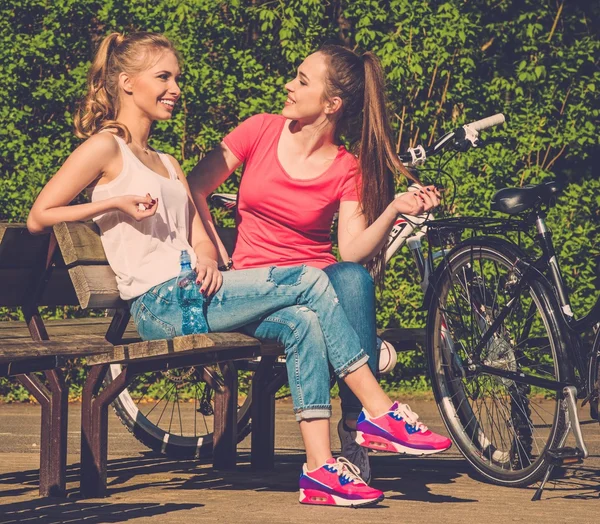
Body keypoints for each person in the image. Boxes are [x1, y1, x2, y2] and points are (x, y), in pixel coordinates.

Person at [27, 32, 448, 508]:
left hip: (197, 292)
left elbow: (196, 227)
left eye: (176, 78)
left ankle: (319, 470)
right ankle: (376, 409)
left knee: (303, 323)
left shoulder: (167, 162)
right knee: (311, 277)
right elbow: (39, 215)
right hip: (157, 304)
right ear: (126, 83)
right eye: (164, 77)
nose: (176, 88)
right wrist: (115, 203)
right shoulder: (106, 148)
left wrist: (207, 255)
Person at [187, 44, 451, 485]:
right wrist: (211, 252)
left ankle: (356, 428)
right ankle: (372, 414)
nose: (289, 85)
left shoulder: (347, 167)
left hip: (316, 289)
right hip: (258, 288)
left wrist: (393, 210)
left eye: (302, 80)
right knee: (326, 286)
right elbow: (194, 187)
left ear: (332, 104)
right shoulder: (260, 130)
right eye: (295, 76)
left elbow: (349, 251)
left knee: (350, 277)